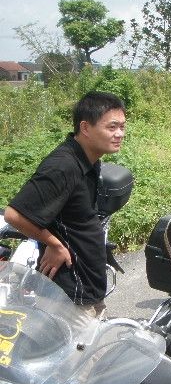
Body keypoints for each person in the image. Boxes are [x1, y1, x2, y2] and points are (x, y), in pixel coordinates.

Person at [4, 91, 127, 318]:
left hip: (86, 288)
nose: (119, 133)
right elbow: (14, 214)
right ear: (86, 128)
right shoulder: (63, 166)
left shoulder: (89, 161)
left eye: (122, 127)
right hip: (68, 297)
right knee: (77, 353)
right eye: (112, 127)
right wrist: (54, 244)